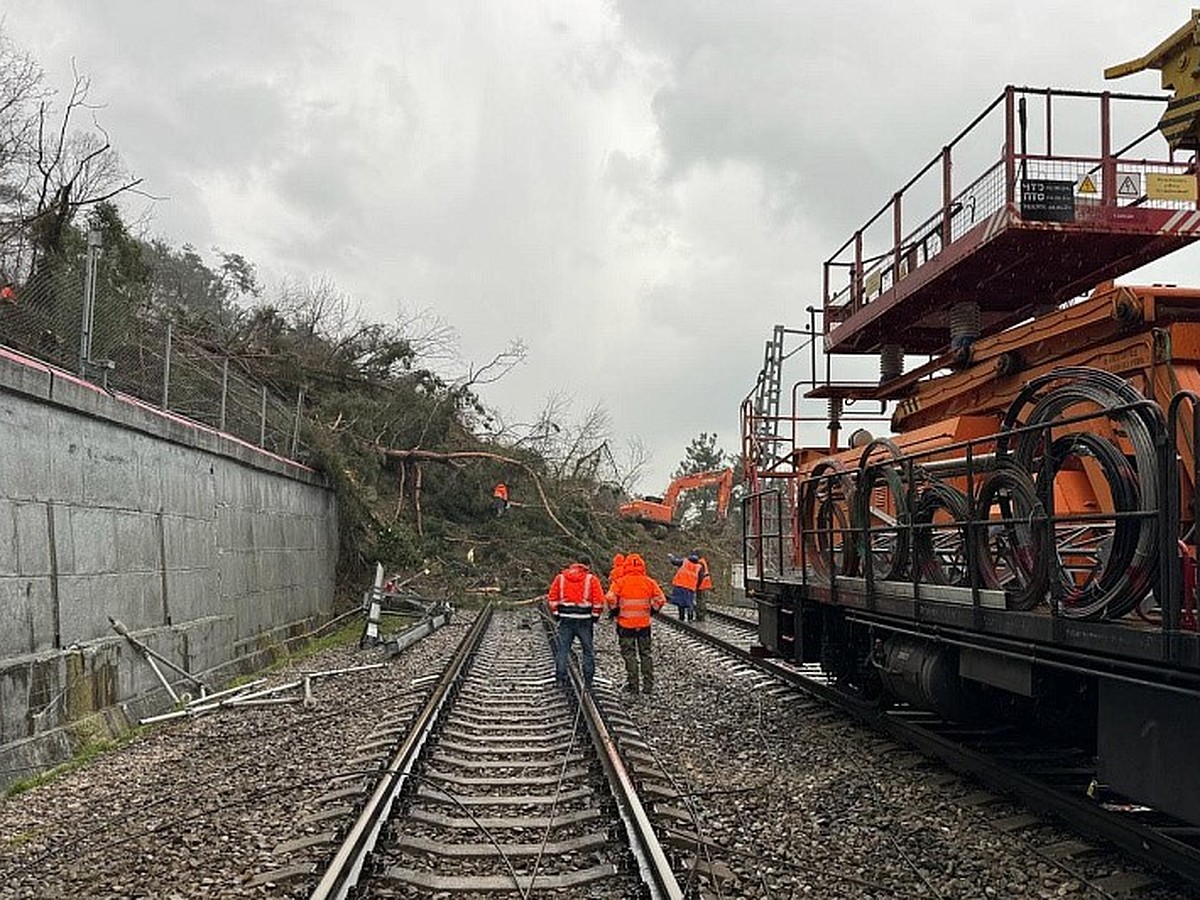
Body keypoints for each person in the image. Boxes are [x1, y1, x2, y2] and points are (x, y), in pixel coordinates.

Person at [605, 553, 665, 694]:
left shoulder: (620, 582)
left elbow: (610, 597)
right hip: (644, 624)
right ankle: (648, 686)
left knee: (629, 654)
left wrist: (615, 610)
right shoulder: (649, 582)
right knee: (646, 654)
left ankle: (633, 685)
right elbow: (660, 599)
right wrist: (652, 611)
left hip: (626, 625)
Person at [547, 554, 604, 690]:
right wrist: (595, 617)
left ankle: (560, 679)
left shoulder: (560, 578)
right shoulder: (592, 580)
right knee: (587, 651)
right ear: (587, 566)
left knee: (563, 650)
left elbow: (552, 598)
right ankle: (588, 682)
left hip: (566, 619)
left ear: (574, 564)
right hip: (584, 621)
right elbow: (599, 602)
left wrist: (556, 615)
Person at [669, 551, 703, 621]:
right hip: (690, 587)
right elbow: (700, 578)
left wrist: (671, 557)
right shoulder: (699, 567)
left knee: (680, 602)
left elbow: (675, 561)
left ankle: (681, 618)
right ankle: (690, 618)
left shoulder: (685, 561)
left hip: (680, 584)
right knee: (689, 603)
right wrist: (697, 586)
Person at [694, 550, 712, 622]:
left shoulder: (700, 563)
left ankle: (700, 616)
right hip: (705, 583)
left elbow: (700, 575)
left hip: (702, 584)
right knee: (702, 600)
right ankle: (701, 615)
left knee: (700, 600)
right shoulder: (702, 561)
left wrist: (697, 585)